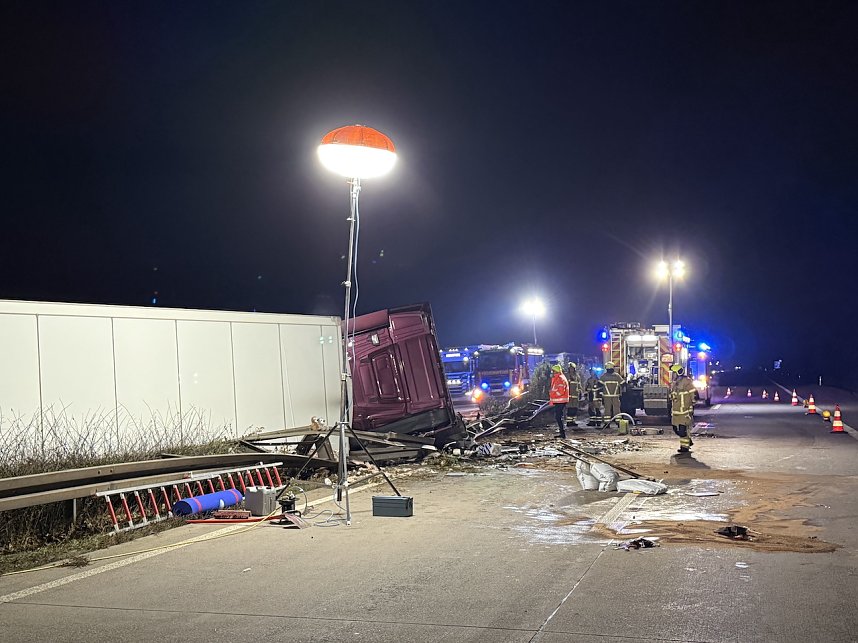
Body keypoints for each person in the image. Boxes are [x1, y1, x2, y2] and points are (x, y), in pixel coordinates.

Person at [670, 364, 696, 453]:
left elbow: (694, 394)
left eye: (674, 373)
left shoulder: (687, 382)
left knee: (682, 430)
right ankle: (688, 442)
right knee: (675, 429)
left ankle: (685, 447)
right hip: (676, 411)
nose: (672, 375)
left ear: (678, 373)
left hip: (684, 411)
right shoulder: (674, 383)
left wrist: (692, 405)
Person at [599, 362, 624, 428]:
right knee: (617, 409)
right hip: (615, 396)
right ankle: (618, 423)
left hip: (607, 396)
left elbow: (599, 385)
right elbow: (623, 384)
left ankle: (607, 424)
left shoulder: (603, 376)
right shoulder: (617, 376)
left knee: (607, 409)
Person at [549, 364, 569, 438]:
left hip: (560, 400)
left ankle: (562, 433)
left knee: (558, 417)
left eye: (553, 371)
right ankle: (562, 433)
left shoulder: (560, 378)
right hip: (559, 401)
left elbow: (560, 391)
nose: (552, 372)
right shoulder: (558, 378)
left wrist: (553, 394)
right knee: (559, 417)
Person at [566, 362, 581, 427]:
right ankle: (569, 422)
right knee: (570, 409)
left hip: (575, 395)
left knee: (575, 408)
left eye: (572, 368)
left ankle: (573, 421)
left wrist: (580, 392)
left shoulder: (577, 376)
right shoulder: (566, 376)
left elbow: (579, 385)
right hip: (569, 395)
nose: (571, 370)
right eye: (570, 368)